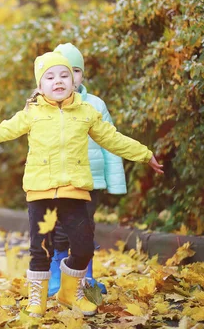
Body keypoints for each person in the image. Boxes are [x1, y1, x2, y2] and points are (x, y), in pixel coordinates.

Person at [0, 51, 163, 317]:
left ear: (74, 82)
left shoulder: (86, 113)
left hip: (74, 191)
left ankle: (69, 293)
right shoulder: (31, 114)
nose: (58, 81)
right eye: (50, 77)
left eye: (64, 75)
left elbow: (113, 139)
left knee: (83, 247)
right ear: (40, 86)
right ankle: (38, 299)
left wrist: (145, 154)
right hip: (40, 192)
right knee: (40, 249)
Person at [47, 43, 126, 297]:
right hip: (58, 182)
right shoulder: (46, 104)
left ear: (81, 75)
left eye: (76, 70)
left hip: (91, 181)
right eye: (65, 71)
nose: (71, 76)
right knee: (59, 230)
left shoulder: (95, 104)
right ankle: (58, 275)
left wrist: (115, 183)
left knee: (85, 228)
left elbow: (110, 142)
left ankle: (85, 277)